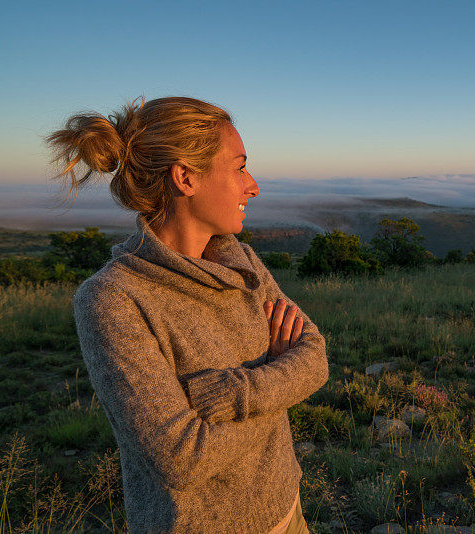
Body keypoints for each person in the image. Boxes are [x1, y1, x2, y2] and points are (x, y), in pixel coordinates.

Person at [45, 96, 325, 533]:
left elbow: (315, 357)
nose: (253, 185)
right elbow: (183, 459)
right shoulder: (113, 299)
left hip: (288, 510)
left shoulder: (241, 262)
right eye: (239, 167)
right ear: (186, 177)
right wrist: (279, 381)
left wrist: (232, 395)